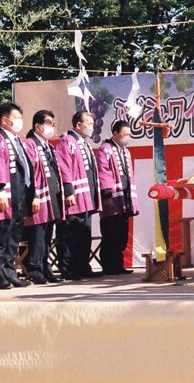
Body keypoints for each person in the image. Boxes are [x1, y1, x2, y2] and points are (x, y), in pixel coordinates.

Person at [0, 102, 37, 289]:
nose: (19, 122)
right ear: (4, 120)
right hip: (6, 193)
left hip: (21, 192)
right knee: (1, 236)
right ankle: (0, 277)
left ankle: (10, 272)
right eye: (16, 118)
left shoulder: (18, 140)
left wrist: (32, 193)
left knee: (14, 236)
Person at [56, 110, 101, 280]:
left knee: (84, 233)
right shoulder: (67, 141)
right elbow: (64, 167)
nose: (91, 127)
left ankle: (83, 266)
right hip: (74, 197)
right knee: (70, 234)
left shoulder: (84, 143)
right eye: (88, 124)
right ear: (78, 125)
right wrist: (68, 191)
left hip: (86, 197)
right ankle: (67, 268)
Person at [22, 110, 65, 284]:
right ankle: (34, 269)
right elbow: (31, 172)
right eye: (48, 123)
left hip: (51, 194)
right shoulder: (30, 143)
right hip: (39, 195)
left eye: (53, 123)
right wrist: (34, 195)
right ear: (38, 126)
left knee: (47, 234)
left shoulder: (48, 145)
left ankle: (45, 267)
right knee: (37, 234)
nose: (52, 127)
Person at [96, 120, 139, 275]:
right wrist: (107, 195)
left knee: (121, 233)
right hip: (112, 198)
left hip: (124, 199)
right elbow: (103, 172)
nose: (128, 137)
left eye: (129, 134)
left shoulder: (125, 151)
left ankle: (118, 264)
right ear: (115, 134)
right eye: (125, 134)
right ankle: (108, 265)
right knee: (110, 232)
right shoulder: (105, 149)